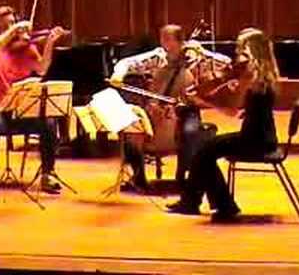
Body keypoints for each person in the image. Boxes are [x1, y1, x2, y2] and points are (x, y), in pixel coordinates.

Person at [167, 28, 280, 221]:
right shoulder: (263, 77)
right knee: (205, 150)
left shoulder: (253, 78)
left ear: (252, 51)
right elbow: (251, 107)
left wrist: (203, 101)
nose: (238, 55)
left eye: (242, 50)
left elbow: (231, 111)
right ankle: (204, 203)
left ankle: (211, 204)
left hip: (255, 140)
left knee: (204, 150)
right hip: (261, 136)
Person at [111, 24, 231, 189]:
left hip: (187, 109)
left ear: (180, 41)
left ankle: (183, 175)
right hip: (156, 108)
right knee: (131, 130)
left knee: (190, 132)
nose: (163, 43)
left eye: (167, 39)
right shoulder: (159, 56)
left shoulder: (196, 57)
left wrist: (205, 61)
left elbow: (227, 63)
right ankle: (139, 176)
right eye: (162, 38)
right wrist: (118, 75)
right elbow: (126, 63)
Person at [0, 6, 67, 198]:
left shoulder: (27, 50)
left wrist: (50, 43)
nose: (13, 29)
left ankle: (47, 174)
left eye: (13, 23)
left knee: (49, 122)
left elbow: (42, 68)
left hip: (22, 110)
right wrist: (14, 29)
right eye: (6, 26)